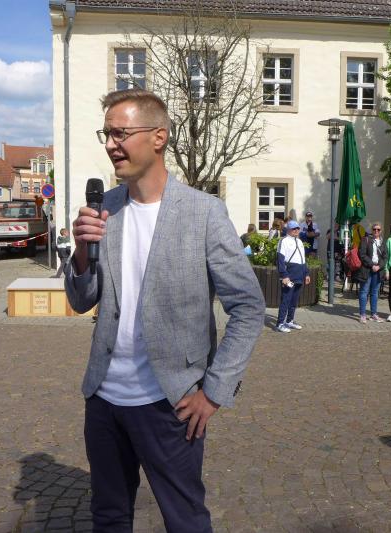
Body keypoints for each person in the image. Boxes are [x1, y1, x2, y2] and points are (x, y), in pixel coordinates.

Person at [65, 88, 265, 531]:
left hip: (170, 403)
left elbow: (248, 308)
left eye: (120, 133)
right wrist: (81, 251)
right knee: (108, 516)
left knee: (185, 519)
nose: (111, 144)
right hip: (104, 397)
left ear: (159, 137)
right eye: (106, 134)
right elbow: (81, 301)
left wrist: (214, 391)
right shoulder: (105, 209)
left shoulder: (204, 213)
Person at [275, 220, 310, 332]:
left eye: (297, 228)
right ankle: (280, 323)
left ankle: (289, 321)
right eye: (294, 228)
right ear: (288, 230)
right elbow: (280, 259)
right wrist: (284, 275)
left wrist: (306, 273)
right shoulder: (284, 241)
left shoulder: (299, 241)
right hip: (289, 275)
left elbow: (303, 259)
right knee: (286, 299)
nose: (296, 230)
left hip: (299, 274)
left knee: (294, 300)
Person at [355, 222, 387, 323]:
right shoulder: (365, 240)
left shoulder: (383, 242)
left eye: (378, 229)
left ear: (381, 231)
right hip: (367, 269)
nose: (376, 231)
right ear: (372, 230)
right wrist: (372, 265)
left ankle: (373, 314)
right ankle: (363, 315)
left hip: (378, 270)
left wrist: (379, 266)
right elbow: (362, 254)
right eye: (374, 229)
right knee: (364, 292)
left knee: (374, 293)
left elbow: (385, 256)